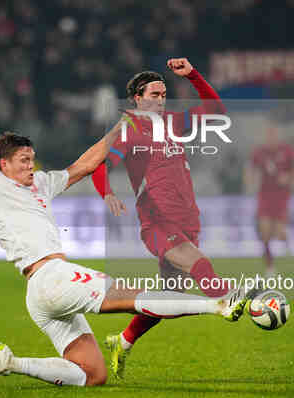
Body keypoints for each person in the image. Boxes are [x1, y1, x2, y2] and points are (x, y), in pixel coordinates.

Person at [0, 129, 252, 387]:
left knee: (93, 374)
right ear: (3, 164)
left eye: (32, 158)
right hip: (51, 277)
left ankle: (11, 363)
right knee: (134, 294)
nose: (30, 165)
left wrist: (119, 129)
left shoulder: (42, 183)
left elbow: (85, 164)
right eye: (23, 161)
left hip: (40, 294)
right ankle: (219, 305)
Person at [90, 58, 232, 378]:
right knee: (199, 264)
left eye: (164, 93)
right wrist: (108, 193)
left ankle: (123, 340)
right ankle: (234, 302)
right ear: (137, 99)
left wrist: (193, 75)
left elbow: (217, 112)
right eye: (154, 94)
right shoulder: (128, 131)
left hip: (187, 218)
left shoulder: (173, 121)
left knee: (171, 296)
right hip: (157, 222)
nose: (160, 99)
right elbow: (100, 165)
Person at [244, 124, 294, 276]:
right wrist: (250, 179)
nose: (271, 138)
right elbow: (249, 170)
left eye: (274, 134)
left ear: (278, 136)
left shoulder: (286, 151)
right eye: (268, 135)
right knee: (264, 231)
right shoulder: (259, 152)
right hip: (265, 194)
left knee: (278, 232)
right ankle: (270, 267)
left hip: (281, 195)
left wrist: (288, 177)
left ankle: (287, 241)